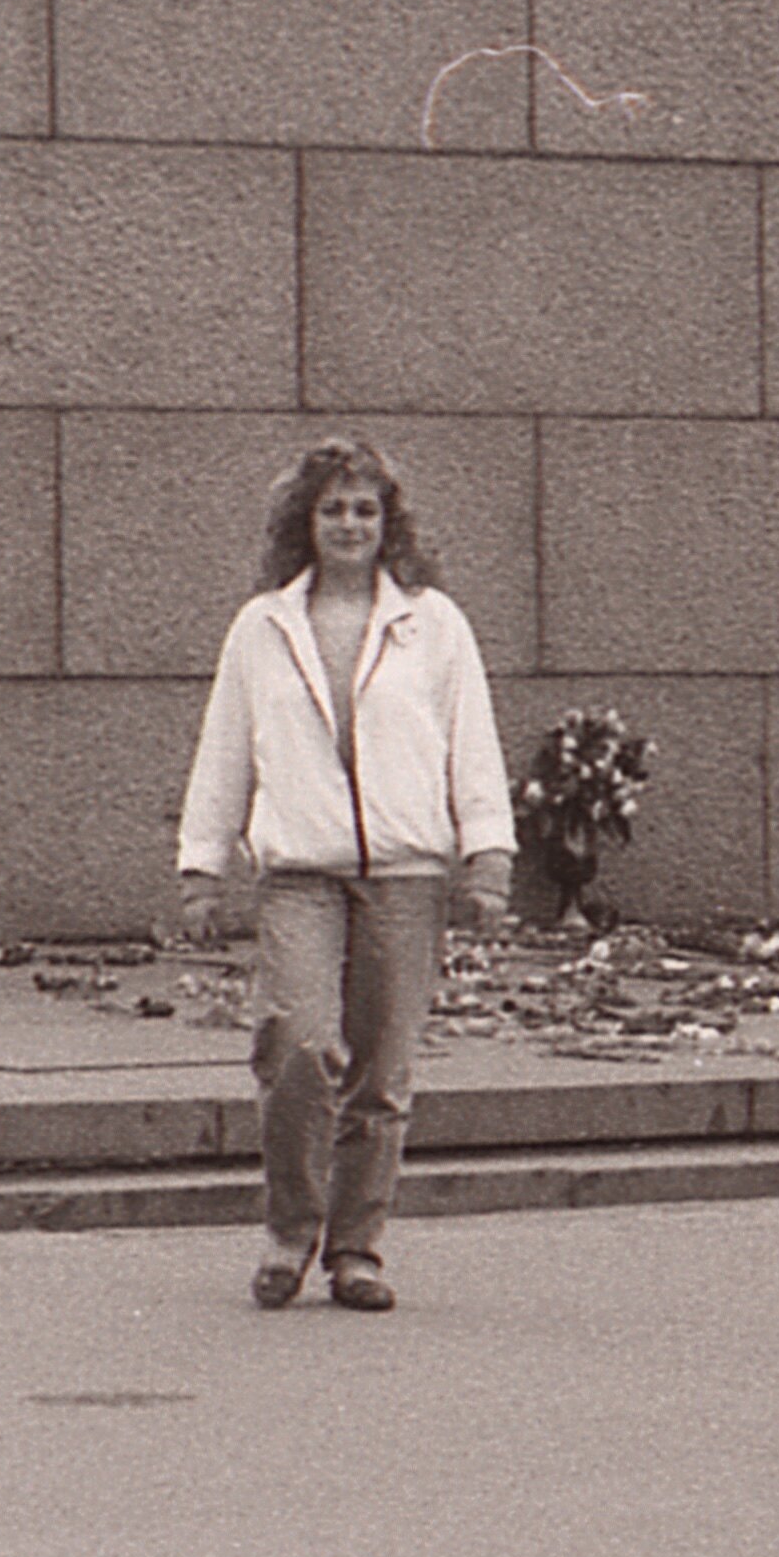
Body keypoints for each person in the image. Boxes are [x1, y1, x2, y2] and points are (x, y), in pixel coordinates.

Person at [170, 437, 513, 1313]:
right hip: (300, 875)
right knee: (296, 1047)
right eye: (333, 509)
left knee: (380, 1074)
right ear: (305, 521)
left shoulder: (433, 623)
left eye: (365, 509)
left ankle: (356, 1249)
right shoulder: (263, 626)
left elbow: (471, 742)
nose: (350, 524)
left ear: (388, 523)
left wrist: (488, 855)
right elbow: (224, 750)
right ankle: (290, 1232)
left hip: (405, 874)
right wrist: (202, 867)